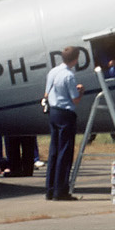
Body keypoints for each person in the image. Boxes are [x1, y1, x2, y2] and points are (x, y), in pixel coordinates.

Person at [43, 46, 84, 200]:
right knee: (64, 153)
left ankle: (50, 188)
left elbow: (47, 92)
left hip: (53, 112)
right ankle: (61, 191)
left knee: (54, 151)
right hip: (66, 113)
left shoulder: (53, 72)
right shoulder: (69, 76)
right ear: (75, 59)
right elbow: (75, 99)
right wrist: (80, 91)